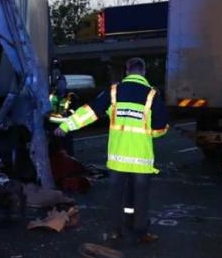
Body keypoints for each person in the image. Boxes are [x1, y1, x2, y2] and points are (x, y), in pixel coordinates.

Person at [55, 58, 168, 244]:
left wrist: (67, 126)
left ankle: (116, 231)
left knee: (116, 195)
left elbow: (90, 112)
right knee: (140, 197)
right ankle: (140, 232)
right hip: (141, 158)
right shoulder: (152, 95)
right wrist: (147, 134)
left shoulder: (114, 92)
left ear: (126, 71)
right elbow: (160, 127)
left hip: (118, 158)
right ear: (144, 72)